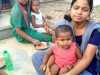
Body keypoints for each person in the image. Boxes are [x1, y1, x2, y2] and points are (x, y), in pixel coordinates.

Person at [32, 0, 100, 75]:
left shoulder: (95, 30)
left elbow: (86, 59)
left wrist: (69, 73)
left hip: (84, 65)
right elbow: (56, 47)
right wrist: (48, 66)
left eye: (85, 10)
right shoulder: (64, 23)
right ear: (70, 9)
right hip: (62, 59)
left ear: (89, 12)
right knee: (36, 57)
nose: (79, 12)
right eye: (76, 8)